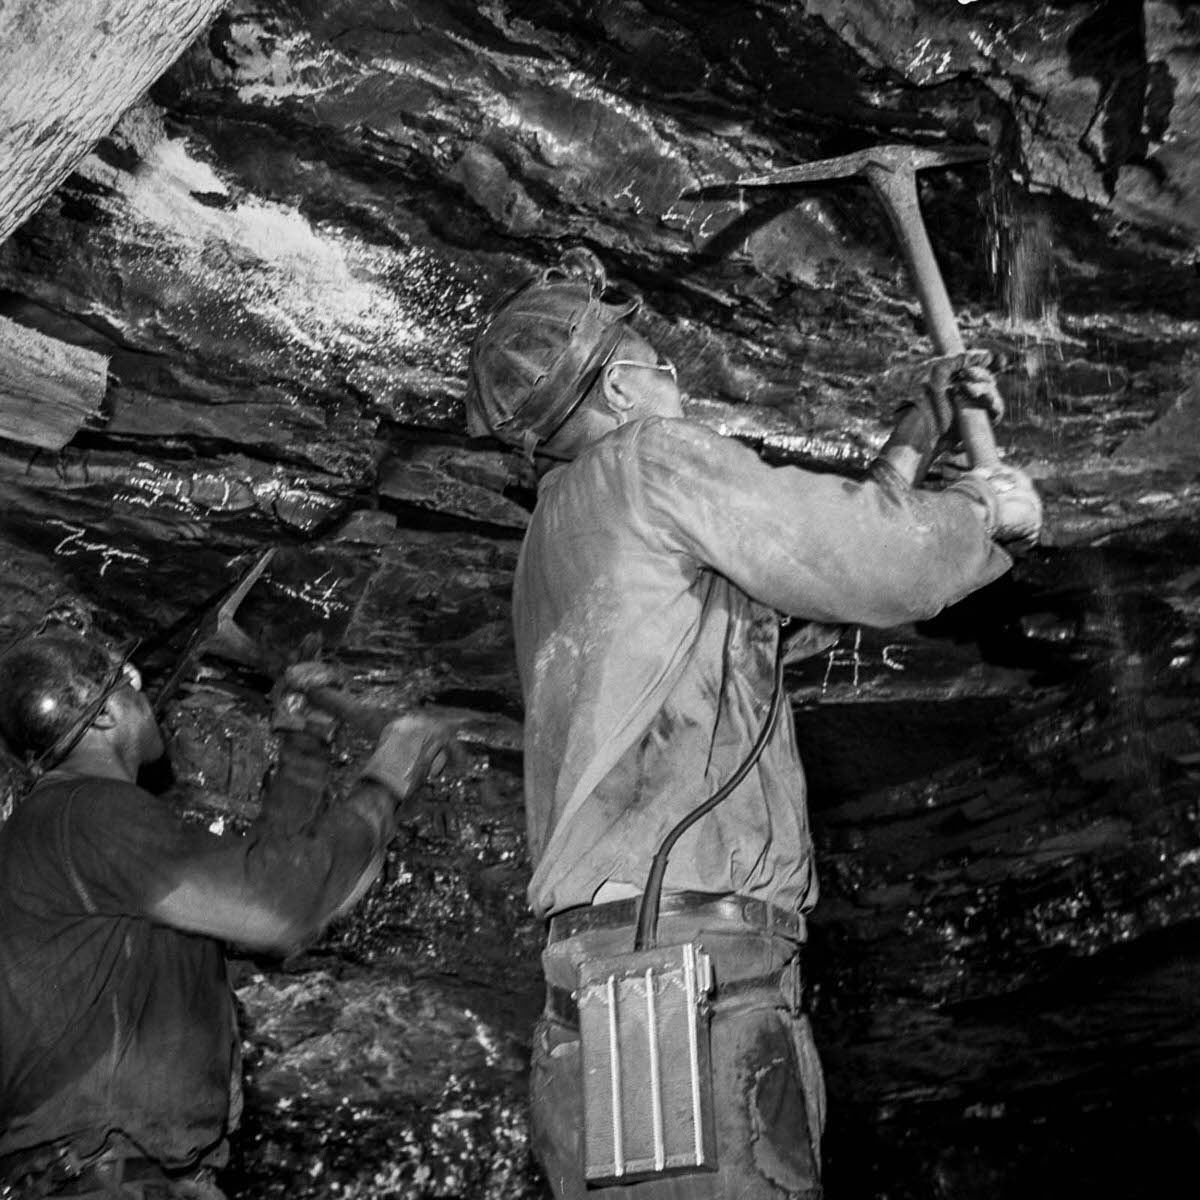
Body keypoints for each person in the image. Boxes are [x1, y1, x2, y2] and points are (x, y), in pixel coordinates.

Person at [464, 247, 1042, 1199]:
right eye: (646, 348)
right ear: (618, 382)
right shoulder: (649, 458)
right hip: (680, 990)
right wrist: (984, 511)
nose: (665, 367)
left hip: (623, 984)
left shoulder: (562, 530)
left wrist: (922, 428)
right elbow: (860, 556)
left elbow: (784, 576)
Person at [0, 617, 457, 1198]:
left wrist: (305, 740)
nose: (146, 695)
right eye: (132, 682)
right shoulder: (88, 814)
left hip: (116, 1177)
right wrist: (393, 773)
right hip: (107, 1180)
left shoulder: (65, 840)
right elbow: (280, 907)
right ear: (108, 714)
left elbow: (256, 885)